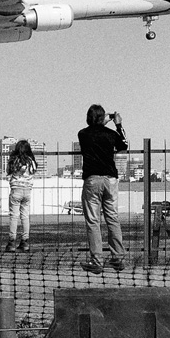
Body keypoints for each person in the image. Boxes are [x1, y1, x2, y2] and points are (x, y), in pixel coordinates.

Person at [77, 105, 128, 274]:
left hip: (92, 179)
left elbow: (92, 130)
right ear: (103, 118)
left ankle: (97, 260)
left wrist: (101, 122)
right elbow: (124, 145)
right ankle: (118, 258)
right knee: (112, 218)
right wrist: (117, 124)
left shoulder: (82, 134)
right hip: (110, 179)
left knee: (93, 221)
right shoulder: (111, 134)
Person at [5, 139, 37, 253]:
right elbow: (33, 172)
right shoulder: (31, 161)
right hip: (27, 190)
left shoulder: (15, 160)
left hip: (16, 189)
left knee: (14, 216)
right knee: (25, 216)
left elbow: (8, 171)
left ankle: (11, 242)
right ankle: (25, 241)